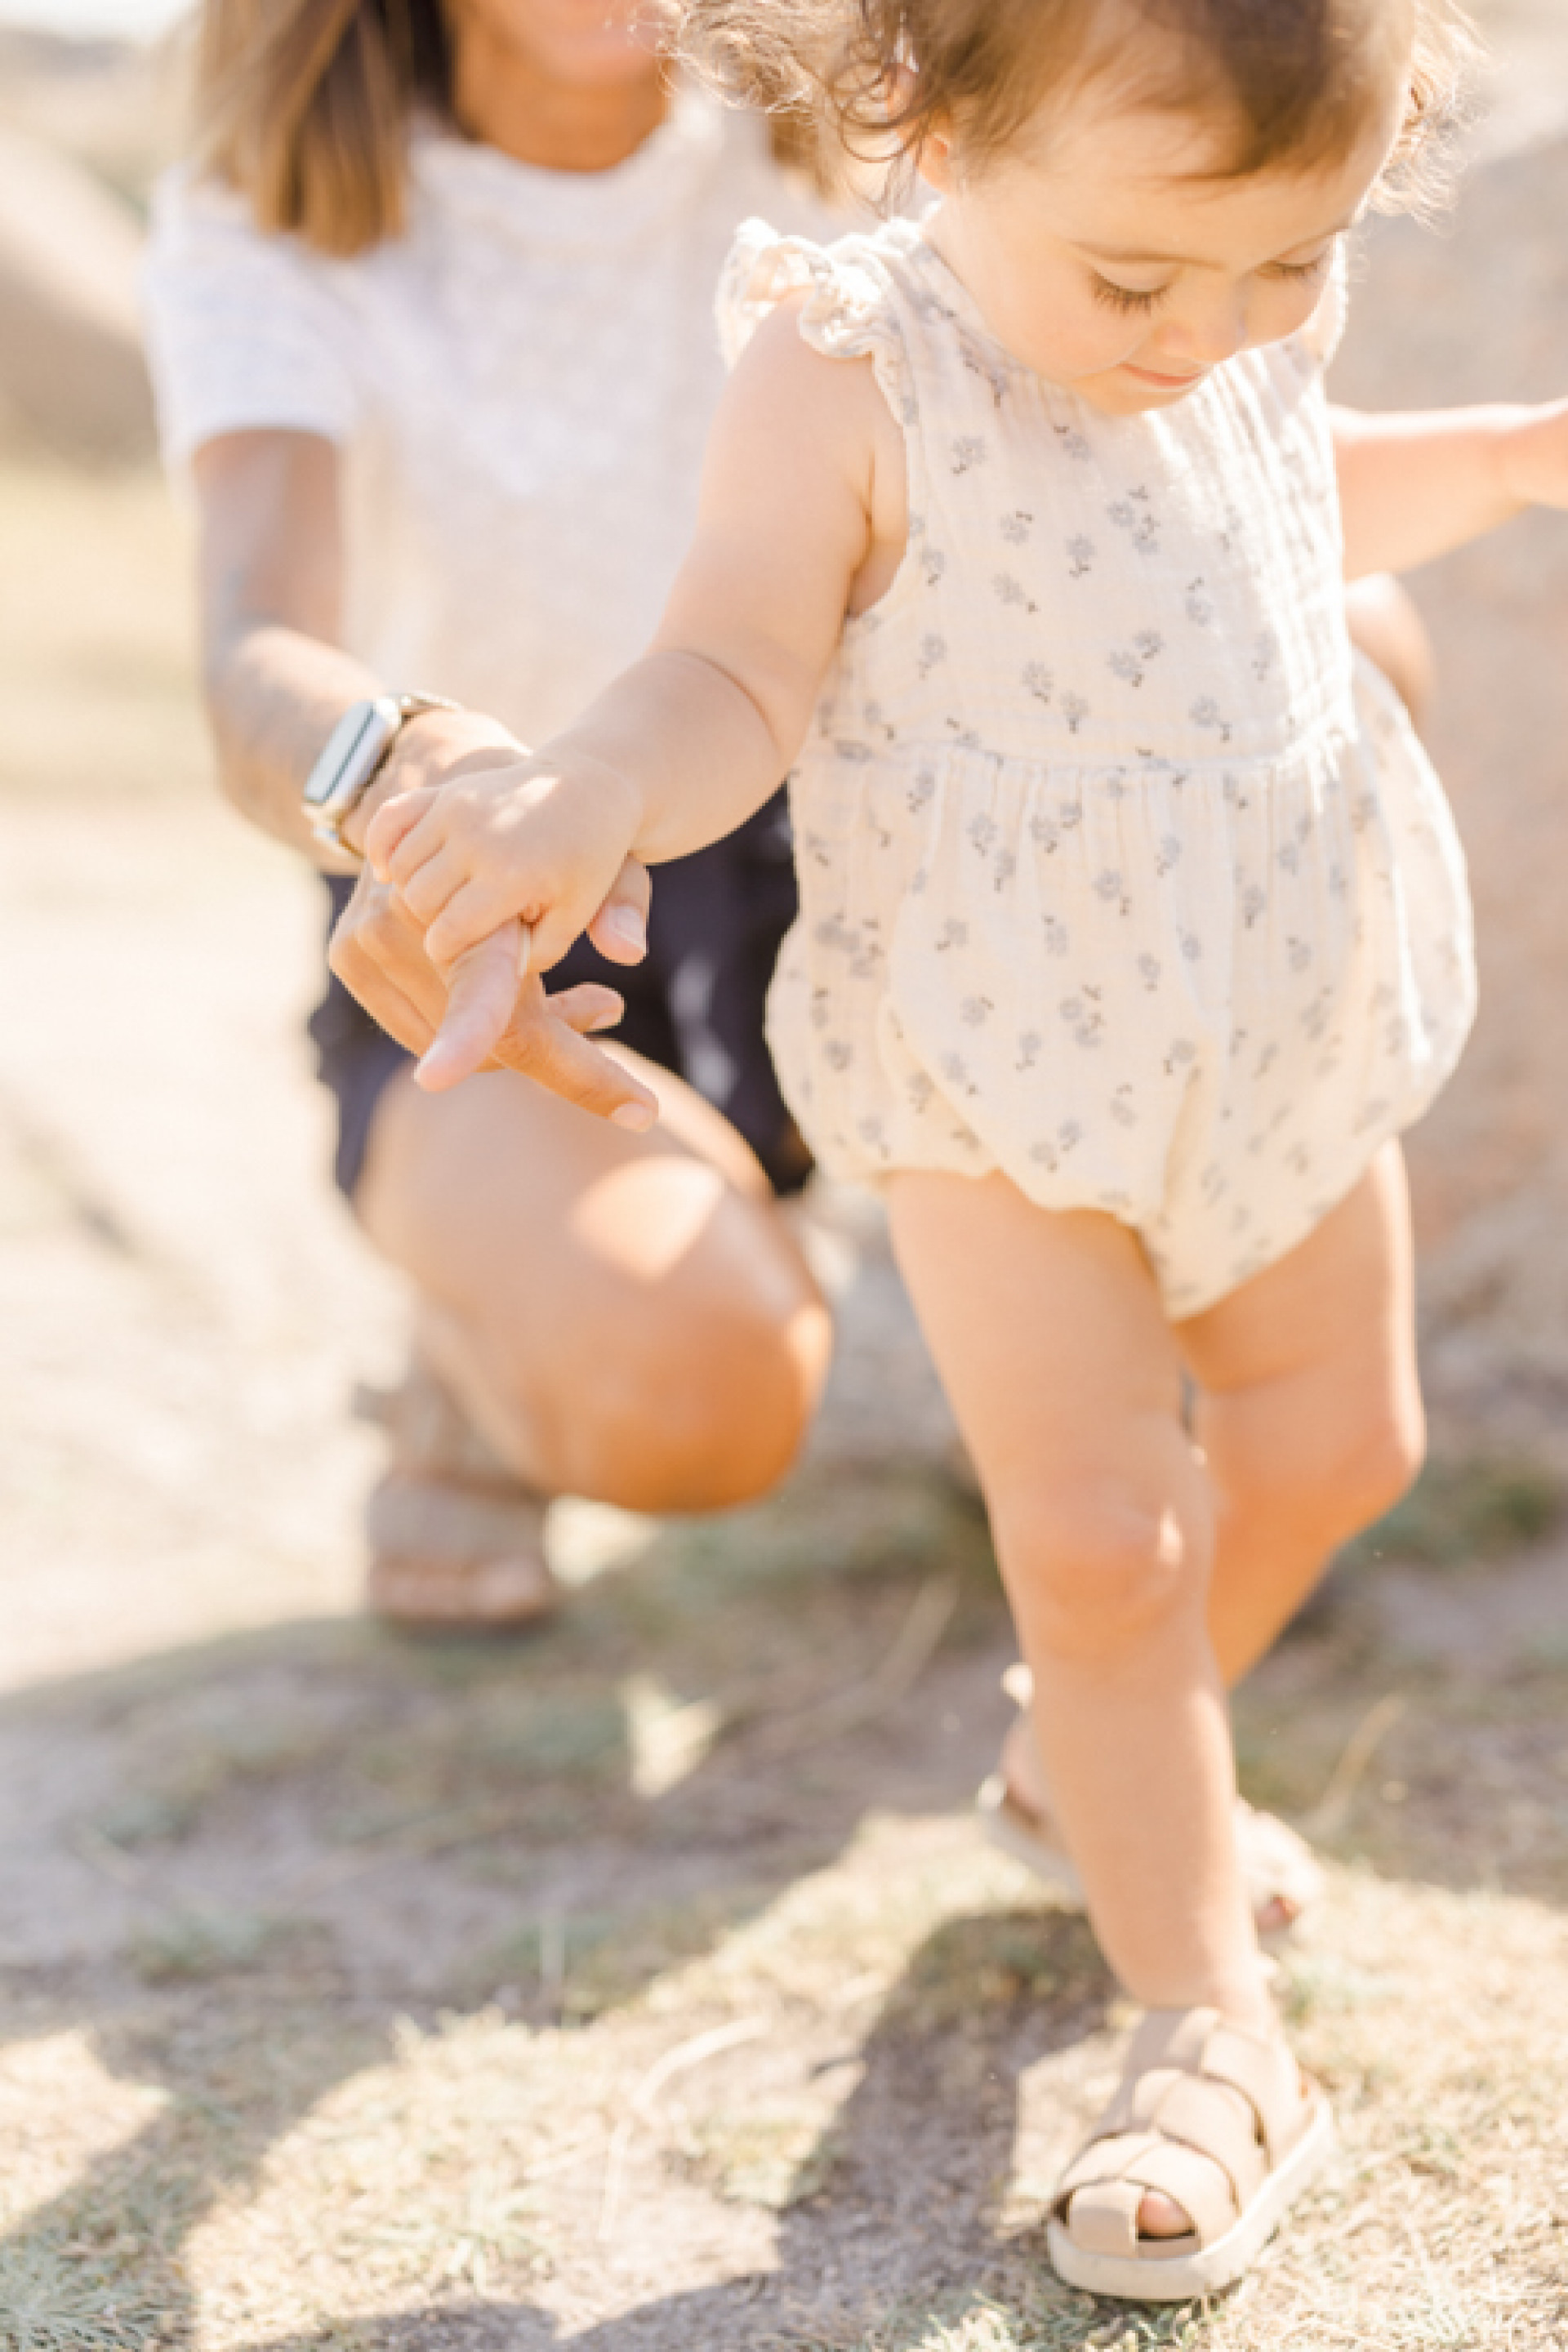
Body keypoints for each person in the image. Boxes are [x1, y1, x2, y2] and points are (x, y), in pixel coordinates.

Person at [360, 0, 1568, 2297]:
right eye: (1144, 287)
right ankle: (1205, 2015)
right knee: (1103, 1545)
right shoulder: (847, 368)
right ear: (923, 106)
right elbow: (735, 666)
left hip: (1283, 1009)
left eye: (1286, 273)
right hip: (1000, 1066)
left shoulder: (1214, 294)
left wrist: (1507, 454)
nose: (1211, 337)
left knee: (1337, 1447)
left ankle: (1086, 1774)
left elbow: (1291, 491)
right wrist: (595, 786)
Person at [141, 0, 847, 1632]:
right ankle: (472, 1361)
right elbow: (252, 651)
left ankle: (1051, 1357)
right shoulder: (282, 207)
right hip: (487, 919)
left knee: (1358, 642)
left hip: (856, 876)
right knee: (716, 1389)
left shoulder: (861, 127)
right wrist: (398, 769)